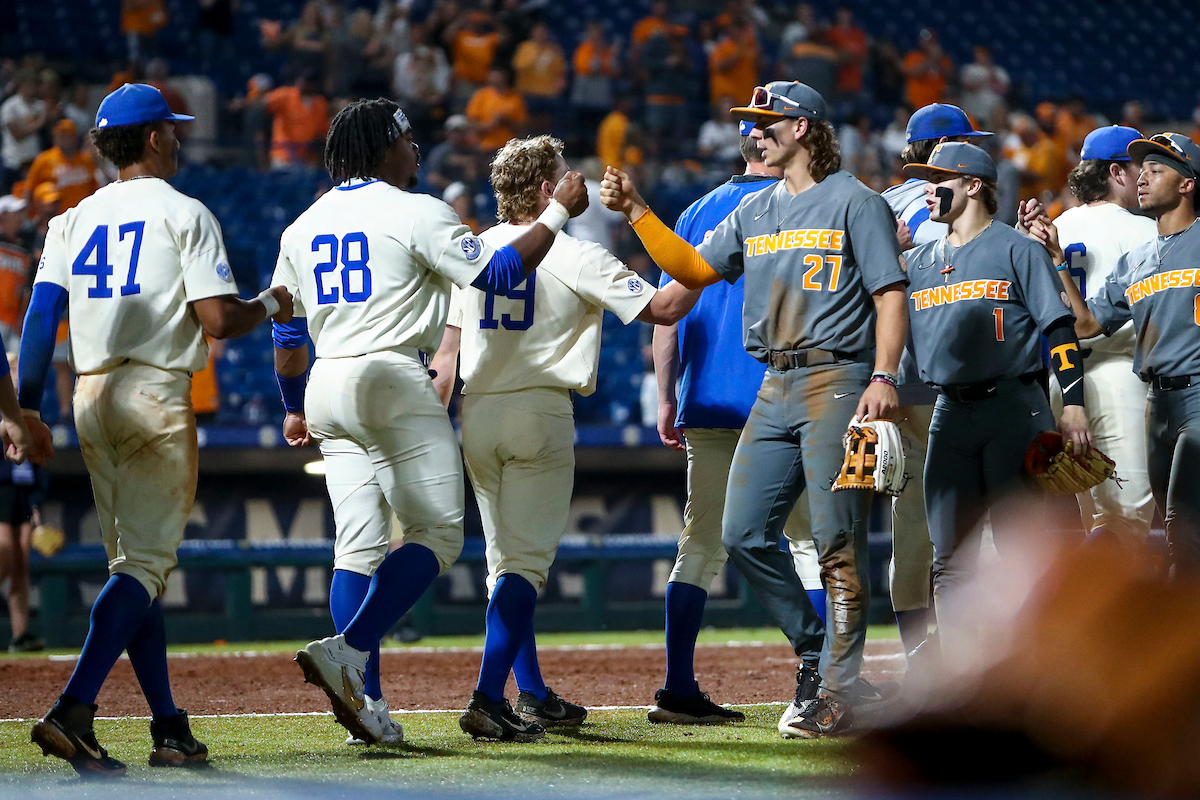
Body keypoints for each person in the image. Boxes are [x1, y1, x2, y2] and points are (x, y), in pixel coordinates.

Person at [601, 81, 909, 738]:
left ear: (804, 128)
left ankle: (842, 689)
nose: (752, 131)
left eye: (766, 121)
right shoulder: (755, 210)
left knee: (836, 542)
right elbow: (687, 266)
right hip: (776, 382)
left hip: (838, 377)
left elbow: (889, 295)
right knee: (741, 533)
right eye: (749, 121)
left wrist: (883, 375)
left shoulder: (857, 201)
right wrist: (636, 211)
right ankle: (814, 652)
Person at [275, 100, 587, 746]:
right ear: (385, 146)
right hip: (392, 376)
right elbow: (500, 273)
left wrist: (292, 404)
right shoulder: (417, 210)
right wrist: (557, 210)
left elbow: (286, 333)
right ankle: (350, 650)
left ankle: (366, 704)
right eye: (409, 139)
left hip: (327, 380)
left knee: (356, 549)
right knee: (438, 537)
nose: (417, 151)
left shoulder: (303, 224)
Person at [22, 83, 293, 777]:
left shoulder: (71, 220)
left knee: (134, 569)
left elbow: (39, 320)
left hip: (89, 393)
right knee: (143, 566)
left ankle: (170, 725)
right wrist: (272, 301)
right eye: (170, 130)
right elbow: (218, 321)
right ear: (150, 139)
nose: (178, 139)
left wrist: (25, 409)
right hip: (152, 393)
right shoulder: (186, 212)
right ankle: (73, 709)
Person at [429, 135, 692, 741]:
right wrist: (705, 264)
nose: (575, 181)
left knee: (504, 566)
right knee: (523, 567)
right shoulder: (575, 253)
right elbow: (666, 307)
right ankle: (488, 696)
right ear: (548, 190)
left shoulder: (473, 250)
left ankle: (534, 693)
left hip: (479, 414)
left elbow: (446, 356)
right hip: (538, 413)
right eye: (563, 174)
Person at [650, 119, 825, 729]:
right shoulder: (805, 205)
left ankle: (676, 688)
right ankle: (820, 684)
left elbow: (666, 318)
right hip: (780, 396)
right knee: (806, 543)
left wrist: (667, 396)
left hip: (708, 400)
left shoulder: (697, 211)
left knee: (699, 547)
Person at [901, 142, 1090, 656]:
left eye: (936, 179)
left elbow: (1058, 328)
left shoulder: (1017, 249)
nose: (924, 189)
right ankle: (964, 678)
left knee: (1020, 550)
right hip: (949, 413)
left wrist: (1072, 401)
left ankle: (1033, 667)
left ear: (974, 186)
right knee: (949, 554)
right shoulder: (916, 262)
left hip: (1016, 408)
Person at [1033, 133, 1200, 573]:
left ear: (1188, 184)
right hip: (1151, 402)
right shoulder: (1138, 255)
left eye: (1156, 170)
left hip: (1191, 395)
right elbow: (1086, 324)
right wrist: (1055, 259)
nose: (1142, 178)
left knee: (1175, 527)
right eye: (1140, 170)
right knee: (1157, 526)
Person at [879, 103, 994, 659]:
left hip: (902, 382)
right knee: (972, 524)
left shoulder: (879, 205)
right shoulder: (958, 203)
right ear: (941, 147)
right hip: (948, 381)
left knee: (914, 525)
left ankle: (919, 653)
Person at [1045, 126, 1156, 548]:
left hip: (1062, 381)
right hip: (1119, 377)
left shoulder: (1056, 224)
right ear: (1116, 171)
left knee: (1095, 518)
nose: (1143, 178)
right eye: (1138, 168)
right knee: (1127, 518)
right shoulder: (1143, 231)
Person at [24, 119, 103, 212]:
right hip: (57, 217)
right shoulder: (43, 160)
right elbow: (29, 190)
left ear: (74, 137)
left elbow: (95, 188)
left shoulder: (86, 160)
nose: (62, 138)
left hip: (83, 214)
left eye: (66, 135)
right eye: (58, 135)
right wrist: (28, 214)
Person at [264, 72, 330, 168]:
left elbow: (323, 129)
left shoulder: (320, 103)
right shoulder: (285, 95)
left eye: (308, 81)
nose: (303, 83)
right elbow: (263, 103)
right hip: (284, 155)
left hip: (307, 157)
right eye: (302, 80)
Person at [1, 70, 47, 194]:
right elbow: (17, 135)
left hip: (33, 158)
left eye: (33, 85)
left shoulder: (40, 105)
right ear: (20, 85)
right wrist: (38, 123)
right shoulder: (10, 106)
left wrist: (27, 127)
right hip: (13, 160)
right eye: (28, 84)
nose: (31, 88)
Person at [464, 68, 527, 153]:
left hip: (509, 148)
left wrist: (507, 121)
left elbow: (522, 127)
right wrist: (490, 125)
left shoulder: (515, 97)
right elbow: (471, 124)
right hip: (484, 147)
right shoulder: (481, 95)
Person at [902, 29, 954, 110]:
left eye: (930, 41)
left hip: (937, 104)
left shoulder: (942, 58)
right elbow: (914, 73)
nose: (927, 43)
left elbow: (950, 75)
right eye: (924, 40)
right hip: (916, 104)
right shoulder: (913, 56)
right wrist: (930, 59)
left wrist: (938, 61)